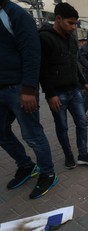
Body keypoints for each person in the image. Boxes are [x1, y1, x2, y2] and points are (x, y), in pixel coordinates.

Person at [0, 0, 58, 199]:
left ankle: (48, 172)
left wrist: (29, 89)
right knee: (1, 132)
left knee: (32, 134)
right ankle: (25, 165)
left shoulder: (14, 14)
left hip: (19, 88)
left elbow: (32, 52)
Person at [39, 2, 88, 169]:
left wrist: (84, 83)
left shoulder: (71, 39)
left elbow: (74, 65)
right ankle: (68, 156)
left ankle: (83, 154)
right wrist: (50, 94)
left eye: (75, 23)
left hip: (74, 91)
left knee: (82, 122)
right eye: (70, 23)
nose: (74, 27)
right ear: (58, 19)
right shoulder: (44, 38)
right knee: (62, 127)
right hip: (57, 94)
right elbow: (42, 70)